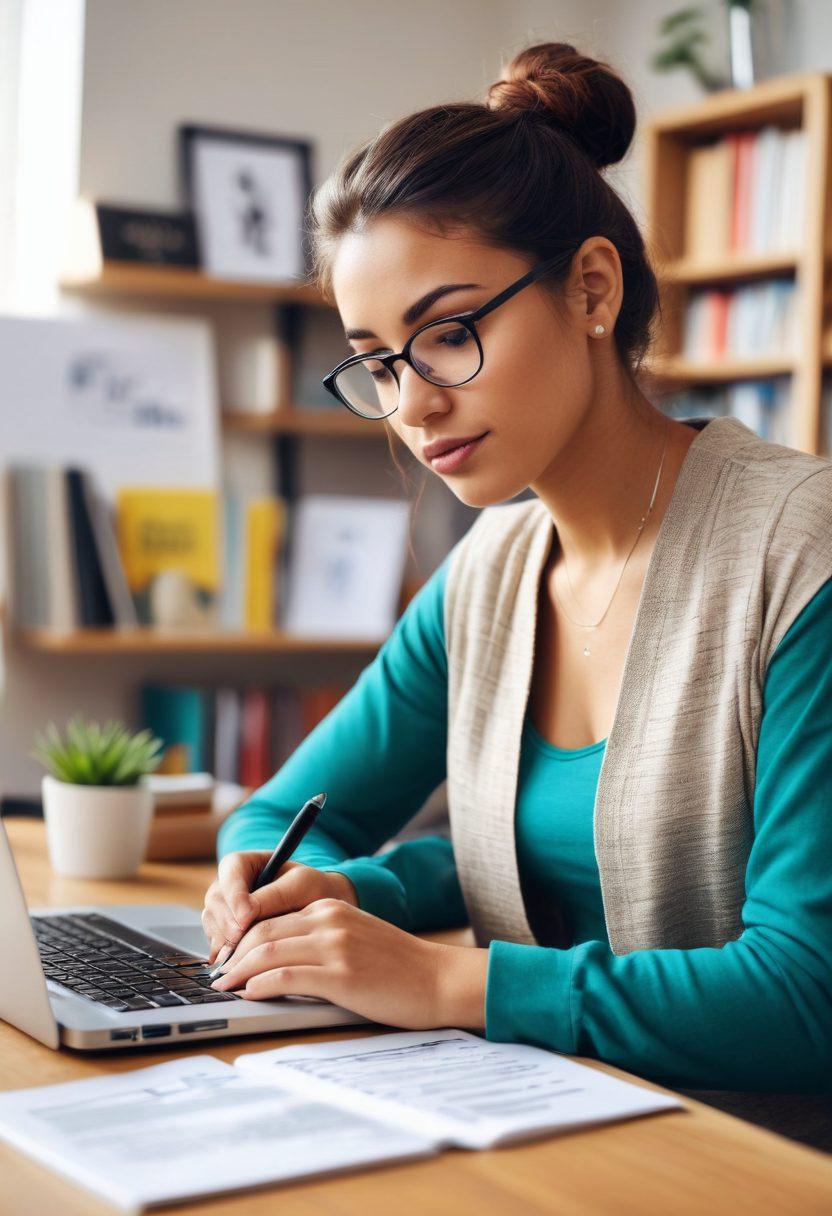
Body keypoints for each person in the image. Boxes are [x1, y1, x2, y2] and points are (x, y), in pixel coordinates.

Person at [201, 42, 832, 1150]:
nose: (413, 404)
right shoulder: (488, 575)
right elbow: (286, 816)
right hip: (551, 1127)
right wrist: (318, 892)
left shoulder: (799, 557)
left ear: (591, 287)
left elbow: (805, 994)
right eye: (380, 363)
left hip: (755, 1156)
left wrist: (450, 982)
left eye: (449, 334)